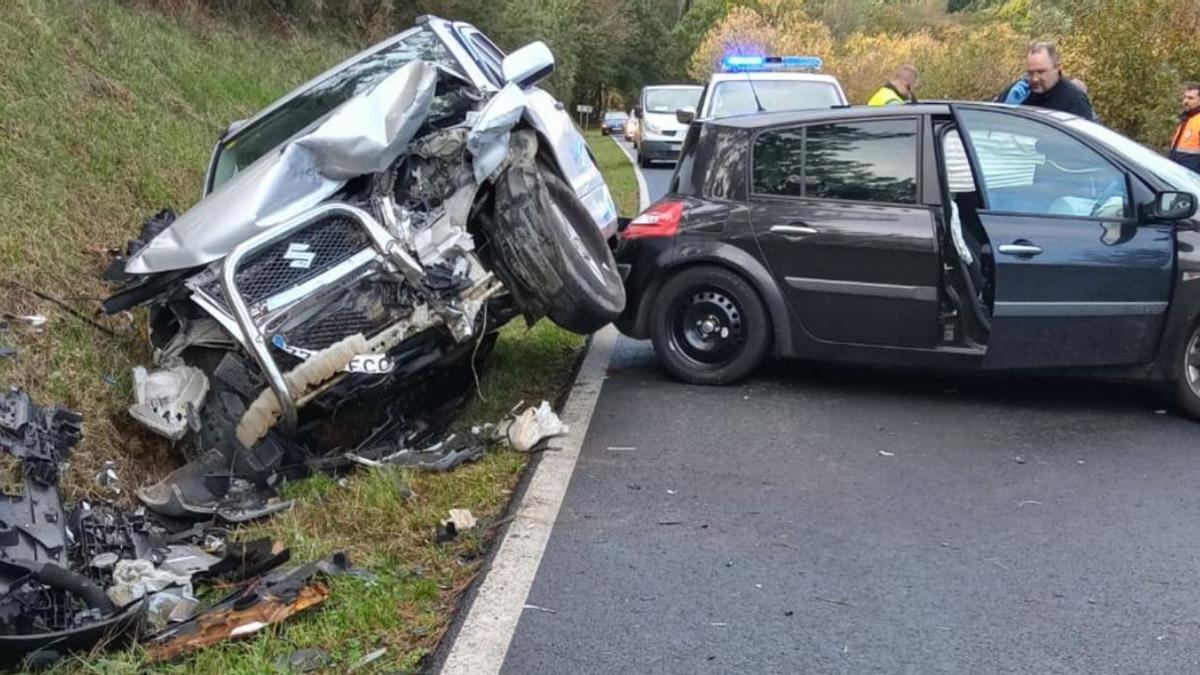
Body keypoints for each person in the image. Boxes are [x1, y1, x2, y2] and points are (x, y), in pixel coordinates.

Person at [996, 42, 1094, 120]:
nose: (1034, 79)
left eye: (1041, 72)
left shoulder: (1074, 99)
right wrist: (1006, 109)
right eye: (1030, 73)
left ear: (1057, 67)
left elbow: (1088, 138)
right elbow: (993, 124)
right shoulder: (1018, 91)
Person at [1168, 83, 1200, 173]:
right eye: (1185, 97)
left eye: (1190, 98)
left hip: (1191, 179)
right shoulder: (1187, 119)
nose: (1185, 101)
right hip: (1177, 174)